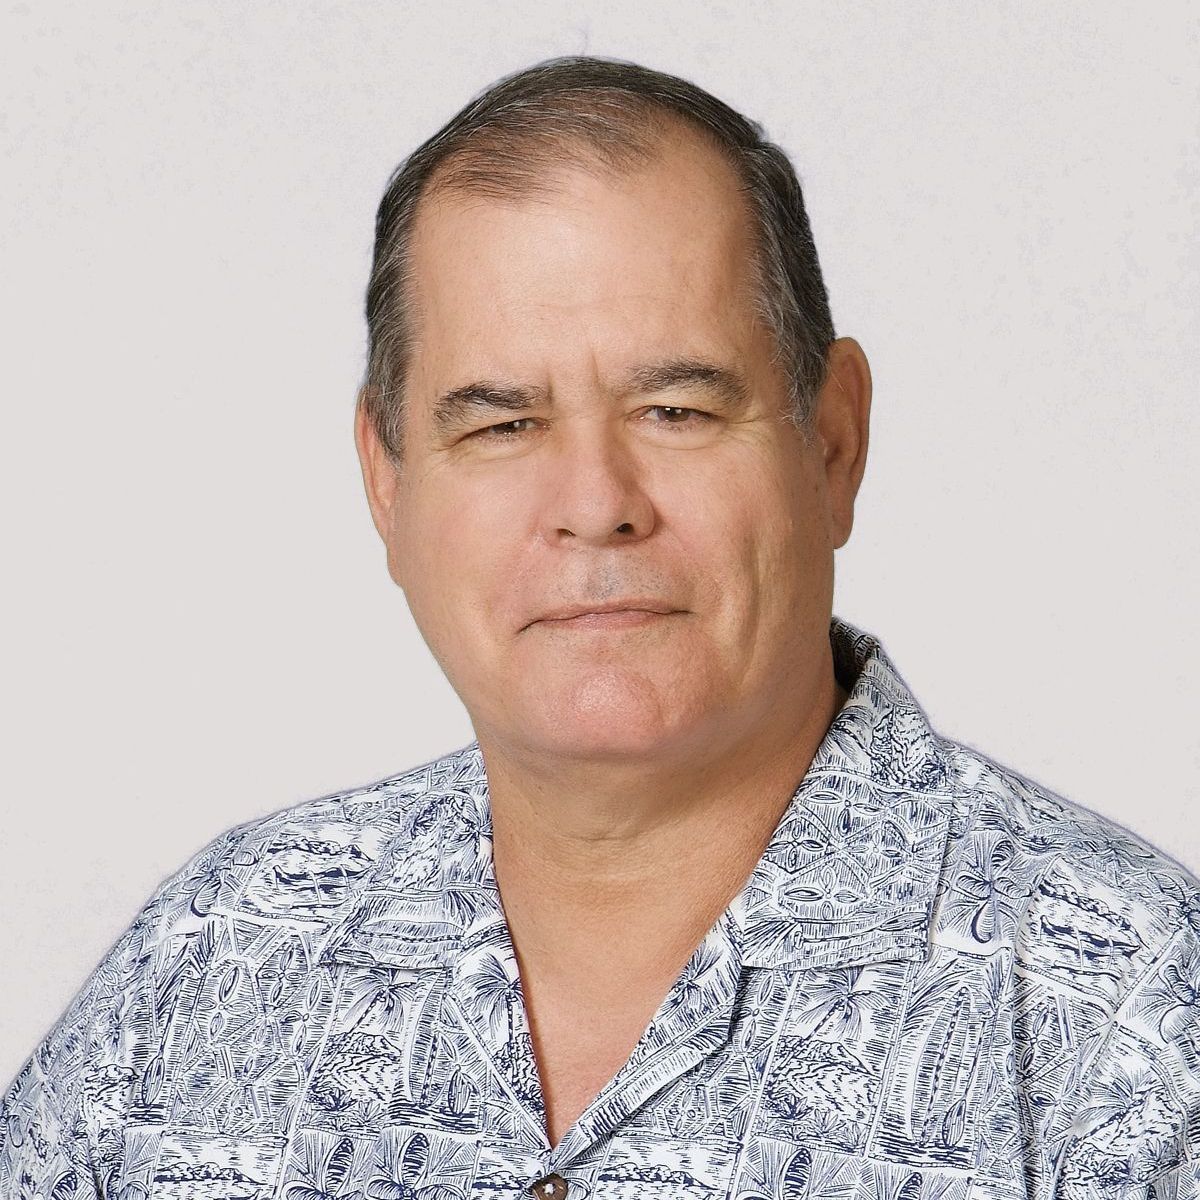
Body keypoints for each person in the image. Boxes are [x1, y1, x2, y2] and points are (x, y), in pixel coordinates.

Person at [3, 54, 1197, 1200]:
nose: (595, 506)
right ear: (388, 479)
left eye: (676, 408)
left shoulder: (1140, 1023)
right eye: (502, 426)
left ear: (831, 443)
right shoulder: (216, 962)